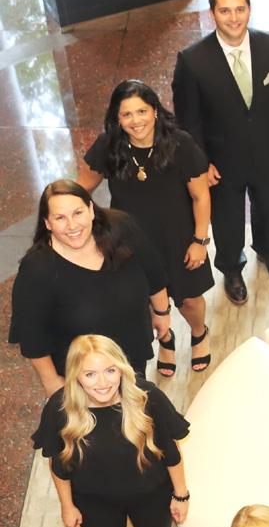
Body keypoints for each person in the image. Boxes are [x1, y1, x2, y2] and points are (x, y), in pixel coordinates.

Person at [32, 334, 190, 527]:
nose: (103, 382)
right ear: (76, 375)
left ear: (121, 368)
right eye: (90, 374)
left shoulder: (147, 397)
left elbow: (171, 451)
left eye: (110, 370)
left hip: (151, 493)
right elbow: (59, 464)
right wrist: (67, 506)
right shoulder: (60, 408)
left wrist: (181, 495)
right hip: (94, 501)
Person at [172, 0, 269, 305]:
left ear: (249, 9)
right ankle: (232, 268)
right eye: (225, 11)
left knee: (268, 205)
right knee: (226, 217)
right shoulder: (192, 60)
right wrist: (200, 164)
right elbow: (188, 122)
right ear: (212, 13)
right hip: (221, 160)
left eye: (239, 9)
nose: (233, 18)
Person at [77, 79, 214, 376]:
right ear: (117, 118)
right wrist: (88, 224)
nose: (135, 121)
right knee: (147, 302)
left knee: (189, 300)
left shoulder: (180, 143)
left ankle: (199, 333)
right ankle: (165, 339)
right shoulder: (109, 145)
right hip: (131, 244)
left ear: (155, 110)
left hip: (179, 239)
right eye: (126, 114)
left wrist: (200, 241)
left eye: (141, 111)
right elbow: (80, 189)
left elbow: (201, 196)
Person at [9, 180, 170, 395]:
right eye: (60, 218)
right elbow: (32, 335)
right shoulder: (37, 269)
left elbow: (152, 270)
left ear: (91, 210)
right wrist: (52, 382)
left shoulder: (121, 228)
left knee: (134, 408)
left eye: (78, 213)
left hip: (131, 358)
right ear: (47, 223)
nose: (72, 225)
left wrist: (161, 312)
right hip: (82, 379)